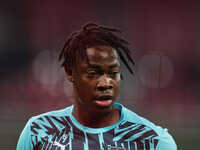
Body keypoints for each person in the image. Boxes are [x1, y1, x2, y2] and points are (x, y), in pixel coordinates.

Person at [17, 22, 177, 150]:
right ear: (70, 72)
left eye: (113, 73)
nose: (105, 84)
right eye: (93, 73)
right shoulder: (38, 132)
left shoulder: (154, 141)